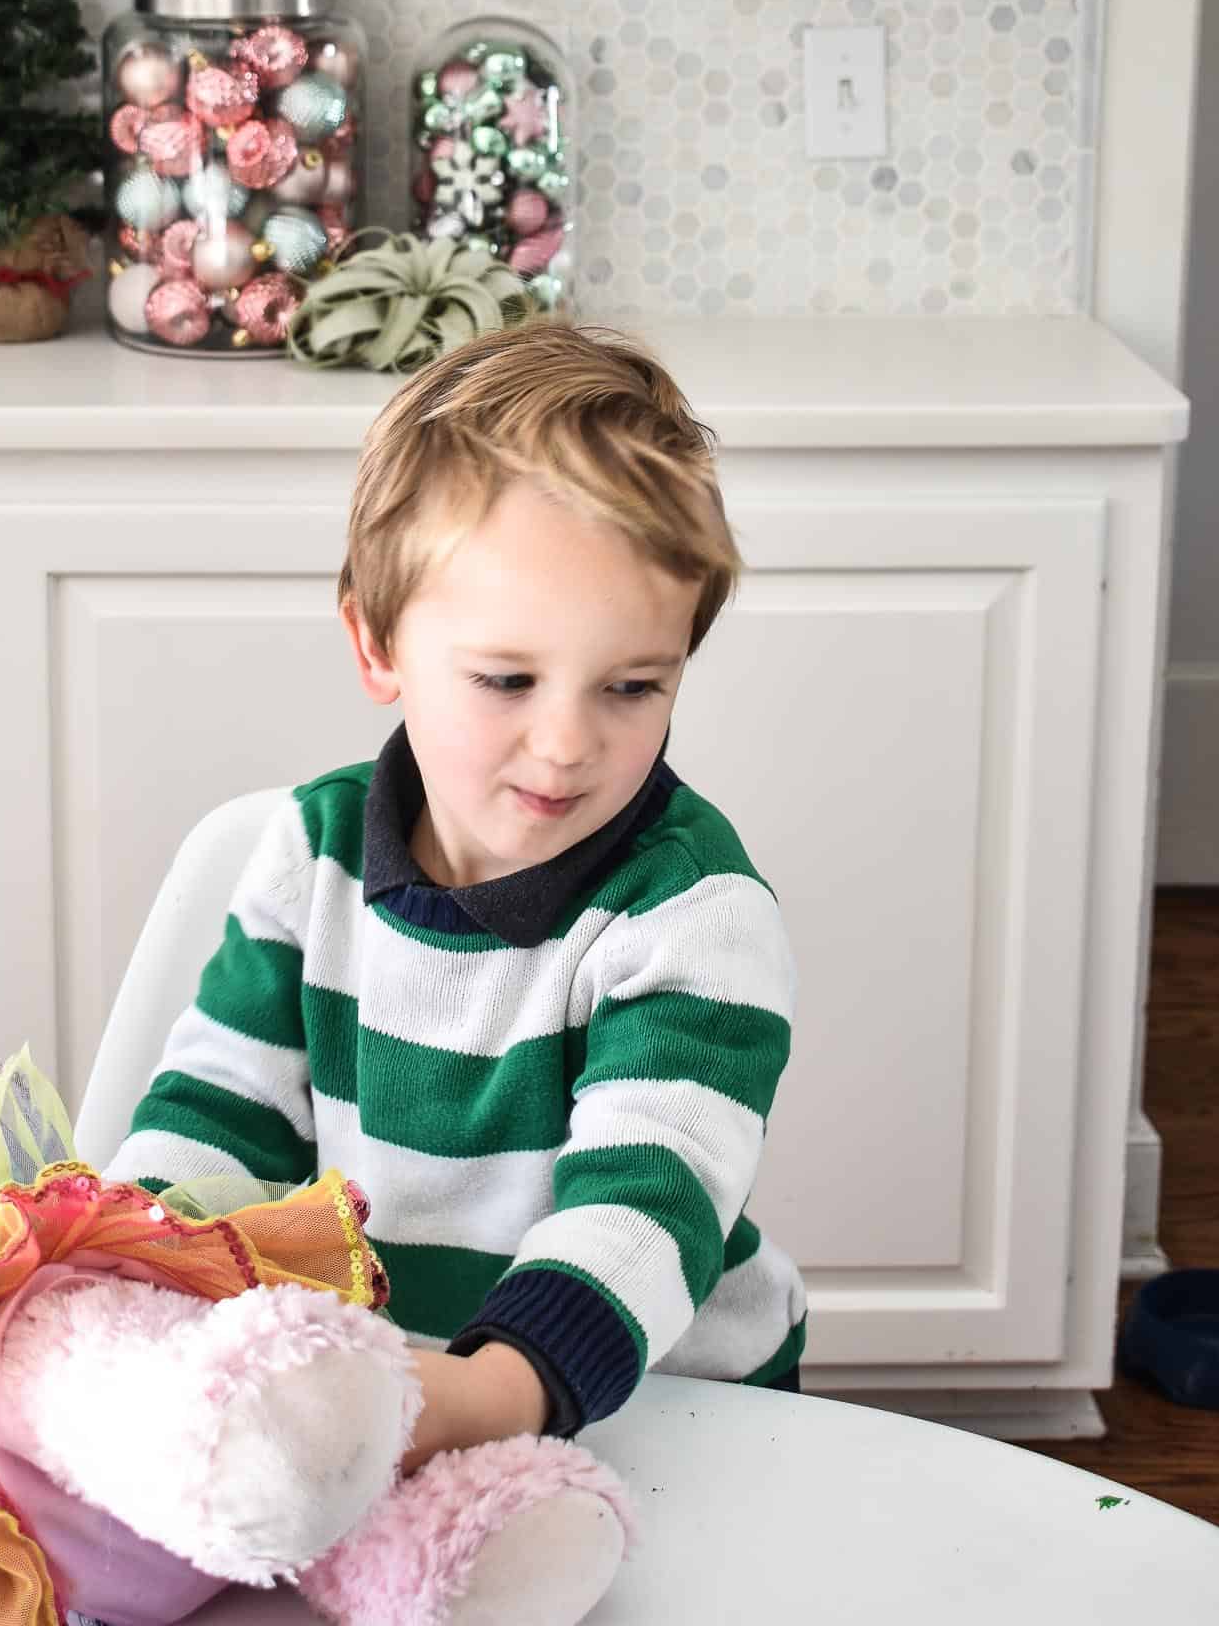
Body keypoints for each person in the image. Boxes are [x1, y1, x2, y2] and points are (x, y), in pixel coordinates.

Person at [108, 319, 805, 1477]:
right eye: (506, 679)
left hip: (655, 1410)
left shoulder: (692, 917)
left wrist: (496, 1390)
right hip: (405, 1392)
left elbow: (645, 1204)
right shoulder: (309, 852)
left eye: (634, 686)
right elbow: (218, 1114)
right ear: (377, 644)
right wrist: (131, 1281)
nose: (568, 741)